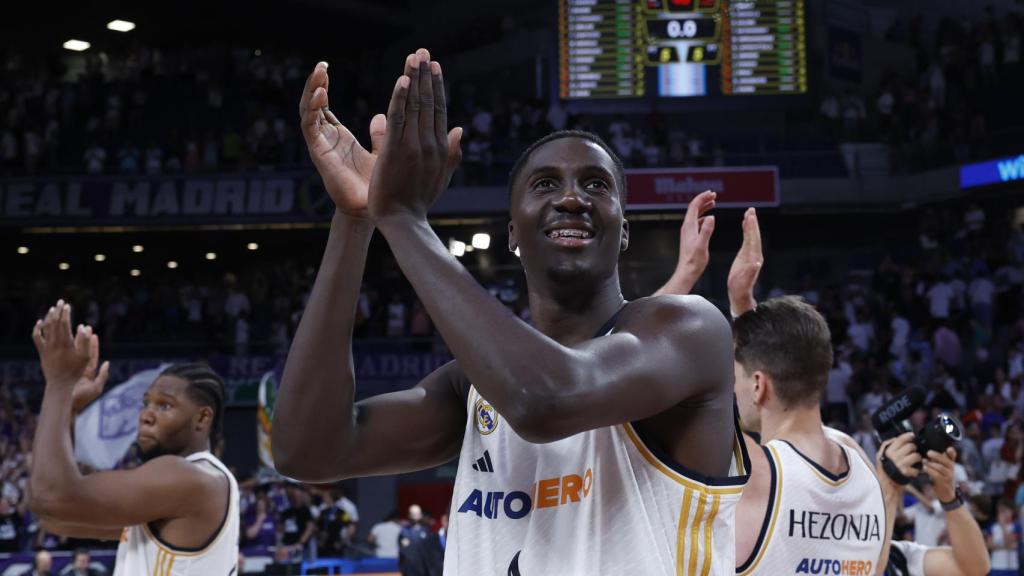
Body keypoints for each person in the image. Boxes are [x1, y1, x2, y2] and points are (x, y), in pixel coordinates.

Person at [272, 50, 748, 574]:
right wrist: (357, 218)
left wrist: (403, 219)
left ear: (624, 231)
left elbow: (545, 401)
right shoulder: (476, 387)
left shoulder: (689, 329)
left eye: (596, 184)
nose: (572, 198)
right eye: (545, 184)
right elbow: (307, 452)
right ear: (513, 235)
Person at [657, 199, 888, 574]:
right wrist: (742, 306)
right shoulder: (859, 459)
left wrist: (686, 272)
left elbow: (629, 364)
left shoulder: (753, 472)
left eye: (736, 376)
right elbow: (784, 356)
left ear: (759, 385)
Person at [27, 301, 239, 575]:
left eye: (165, 405)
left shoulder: (189, 478)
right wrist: (67, 407)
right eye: (146, 403)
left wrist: (58, 385)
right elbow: (54, 517)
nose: (146, 415)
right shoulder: (175, 494)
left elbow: (51, 498)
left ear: (202, 418)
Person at [878, 433, 990, 576]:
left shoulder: (899, 556)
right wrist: (890, 490)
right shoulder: (845, 557)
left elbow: (976, 568)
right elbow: (903, 518)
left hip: (933, 551)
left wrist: (949, 496)